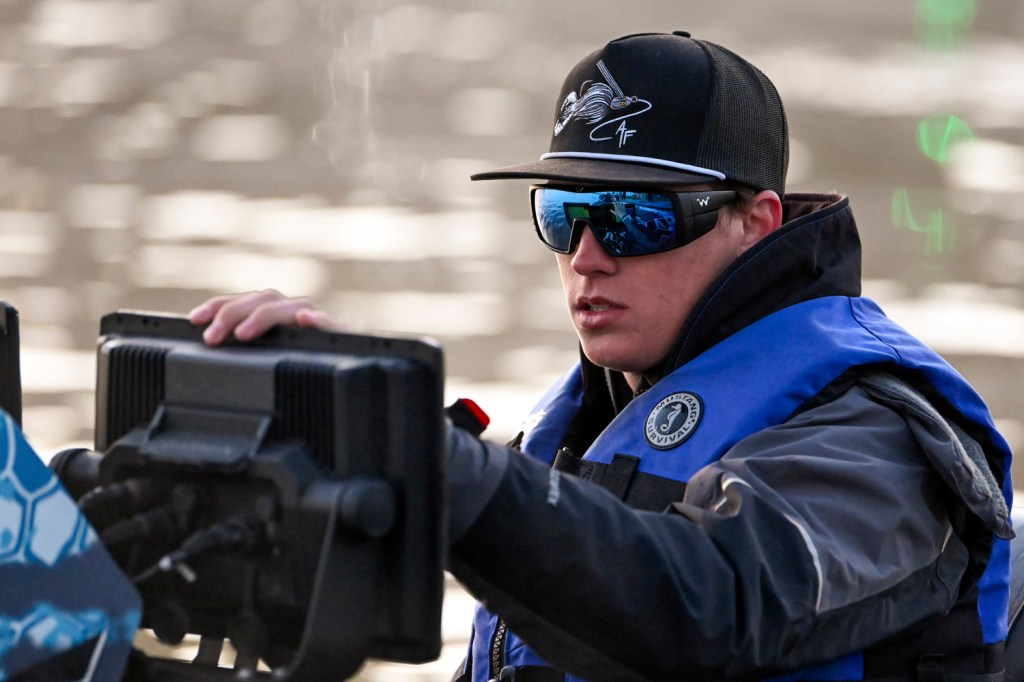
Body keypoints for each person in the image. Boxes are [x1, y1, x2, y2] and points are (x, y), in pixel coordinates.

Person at [188, 31, 1014, 682]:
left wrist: (425, 454)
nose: (587, 256)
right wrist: (332, 420)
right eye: (564, 213)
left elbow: (708, 607)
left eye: (634, 217)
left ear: (756, 223)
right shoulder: (588, 416)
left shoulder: (880, 435)